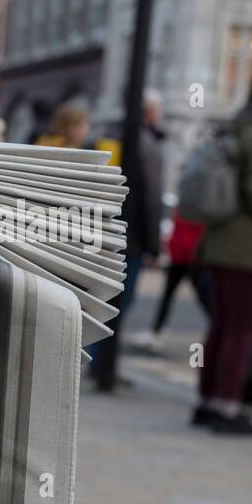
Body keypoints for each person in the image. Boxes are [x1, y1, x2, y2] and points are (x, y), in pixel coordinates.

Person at [193, 73, 252, 434]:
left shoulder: (235, 129)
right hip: (248, 248)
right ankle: (227, 407)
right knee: (241, 330)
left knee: (220, 327)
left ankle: (208, 401)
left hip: (220, 243)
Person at [91, 89, 167, 390]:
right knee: (121, 301)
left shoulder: (110, 137)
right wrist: (154, 243)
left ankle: (99, 362)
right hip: (131, 236)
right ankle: (101, 364)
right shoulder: (147, 144)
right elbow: (151, 197)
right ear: (149, 112)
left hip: (106, 231)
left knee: (103, 298)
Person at [131, 209, 209, 353]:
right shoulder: (187, 201)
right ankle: (156, 331)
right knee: (168, 296)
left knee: (204, 297)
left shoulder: (196, 202)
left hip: (192, 256)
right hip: (180, 255)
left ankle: (218, 329)